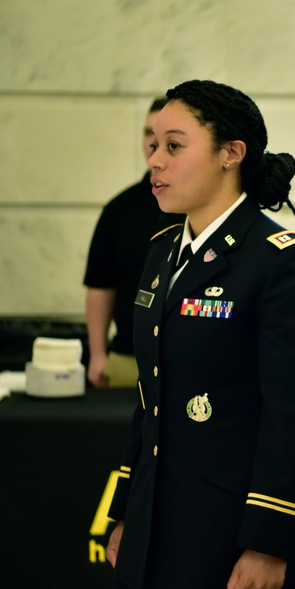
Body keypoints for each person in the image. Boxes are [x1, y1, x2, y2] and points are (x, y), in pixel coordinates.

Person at [102, 80, 295, 589]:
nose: (155, 161)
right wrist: (127, 510)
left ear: (232, 154)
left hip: (230, 549)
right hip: (154, 536)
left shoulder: (280, 262)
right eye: (153, 145)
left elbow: (294, 417)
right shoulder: (161, 255)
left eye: (174, 146)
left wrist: (270, 540)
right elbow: (151, 403)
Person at [83, 96, 179, 388]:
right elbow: (100, 286)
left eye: (168, 138)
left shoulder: (200, 206)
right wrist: (98, 354)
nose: (153, 142)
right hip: (129, 358)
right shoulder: (119, 209)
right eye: (148, 133)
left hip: (191, 362)